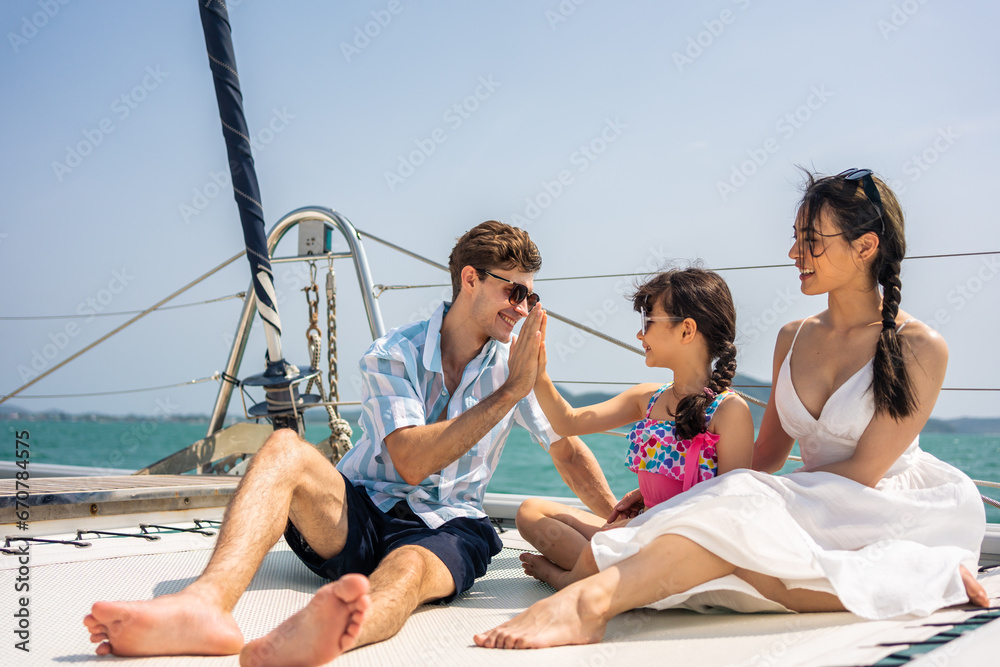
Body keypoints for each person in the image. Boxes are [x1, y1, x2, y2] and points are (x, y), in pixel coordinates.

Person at [474, 169, 990, 650]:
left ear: (866, 247)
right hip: (807, 502)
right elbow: (764, 456)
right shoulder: (793, 337)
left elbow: (863, 472)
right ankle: (591, 594)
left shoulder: (920, 346)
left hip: (879, 507)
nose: (793, 251)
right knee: (730, 533)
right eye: (795, 236)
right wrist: (681, 496)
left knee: (735, 519)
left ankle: (587, 601)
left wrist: (720, 500)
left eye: (811, 240)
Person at [83, 220, 617, 665]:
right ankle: (203, 606)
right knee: (285, 448)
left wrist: (620, 520)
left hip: (450, 524)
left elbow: (566, 450)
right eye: (514, 291)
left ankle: (320, 639)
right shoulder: (395, 354)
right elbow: (408, 460)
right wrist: (509, 394)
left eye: (532, 295)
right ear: (471, 280)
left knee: (407, 571)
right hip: (360, 511)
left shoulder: (513, 367)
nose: (523, 308)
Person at [516, 268, 754, 590]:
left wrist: (646, 523)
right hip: (639, 533)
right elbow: (568, 422)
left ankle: (564, 577)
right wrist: (538, 374)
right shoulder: (646, 398)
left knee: (601, 550)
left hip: (682, 545)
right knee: (531, 513)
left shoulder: (729, 411)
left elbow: (728, 510)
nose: (640, 336)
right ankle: (612, 570)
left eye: (648, 322)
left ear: (686, 331)